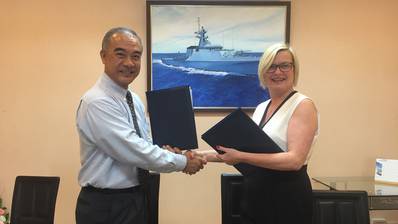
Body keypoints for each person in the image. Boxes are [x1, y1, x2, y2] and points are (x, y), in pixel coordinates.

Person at [75, 27, 206, 224]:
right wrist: (183, 162)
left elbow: (144, 143)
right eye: (120, 54)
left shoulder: (133, 99)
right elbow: (133, 150)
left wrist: (174, 152)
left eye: (136, 56)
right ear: (103, 56)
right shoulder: (97, 102)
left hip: (136, 198)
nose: (129, 63)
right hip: (106, 207)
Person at [214, 43, 319, 224]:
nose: (278, 72)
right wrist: (191, 155)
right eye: (271, 66)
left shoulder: (303, 105)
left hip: (287, 198)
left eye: (284, 65)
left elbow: (294, 161)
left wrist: (241, 156)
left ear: (294, 70)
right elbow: (234, 150)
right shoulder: (262, 108)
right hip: (256, 195)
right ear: (263, 71)